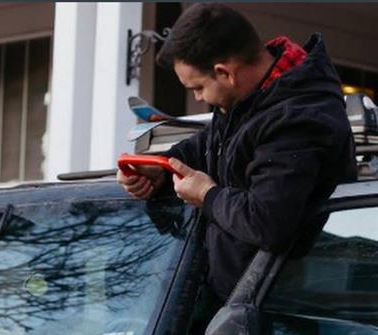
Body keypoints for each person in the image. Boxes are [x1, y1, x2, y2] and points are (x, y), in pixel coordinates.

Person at [117, 3, 356, 306]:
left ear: (225, 72)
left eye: (198, 87)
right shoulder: (250, 101)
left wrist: (208, 195)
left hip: (280, 311)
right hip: (238, 300)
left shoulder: (298, 119)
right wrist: (160, 170)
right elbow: (209, 146)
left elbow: (267, 223)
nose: (197, 97)